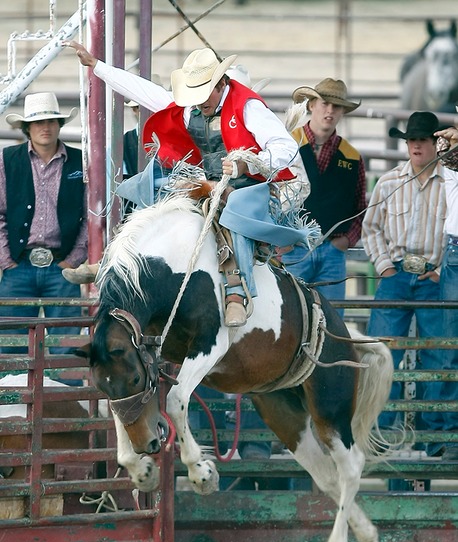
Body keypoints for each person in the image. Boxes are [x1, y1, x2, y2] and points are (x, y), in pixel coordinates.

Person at [63, 42, 311, 327]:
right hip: (207, 179)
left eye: (205, 93)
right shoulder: (189, 107)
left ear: (221, 84)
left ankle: (236, 292)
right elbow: (145, 92)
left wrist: (248, 163)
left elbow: (284, 147)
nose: (200, 100)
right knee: (144, 186)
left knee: (235, 208)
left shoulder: (249, 106)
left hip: (250, 185)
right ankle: (116, 260)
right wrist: (97, 66)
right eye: (195, 94)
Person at [361, 111, 447, 454]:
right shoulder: (389, 181)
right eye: (412, 140)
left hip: (433, 275)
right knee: (382, 351)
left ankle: (435, 433)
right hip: (396, 273)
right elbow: (371, 228)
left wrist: (441, 269)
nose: (416, 146)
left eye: (423, 140)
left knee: (438, 353)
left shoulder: (451, 184)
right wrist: (384, 267)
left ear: (435, 145)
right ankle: (382, 429)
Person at [0, 91, 87, 358]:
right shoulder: (7, 159)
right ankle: (12, 398)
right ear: (27, 128)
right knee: (11, 344)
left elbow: (91, 216)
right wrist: (6, 261)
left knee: (67, 343)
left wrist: (72, 260)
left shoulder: (80, 160)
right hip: (19, 265)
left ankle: (67, 399)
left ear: (60, 125)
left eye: (51, 121)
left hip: (61, 266)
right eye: (38, 122)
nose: (45, 128)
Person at [281, 78, 366, 306]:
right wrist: (278, 241)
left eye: (336, 106)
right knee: (290, 315)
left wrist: (347, 240)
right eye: (324, 103)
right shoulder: (286, 145)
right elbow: (269, 193)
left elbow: (359, 207)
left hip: (332, 251)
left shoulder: (352, 156)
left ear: (342, 112)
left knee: (331, 318)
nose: (329, 110)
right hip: (293, 248)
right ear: (311, 106)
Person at [426, 121, 458, 459]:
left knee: (450, 346)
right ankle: (450, 436)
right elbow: (450, 155)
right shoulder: (449, 148)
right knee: (449, 348)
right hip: (456, 251)